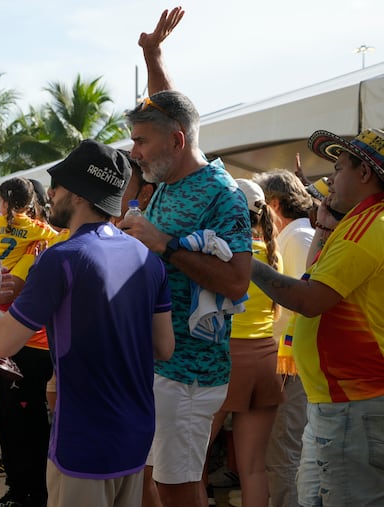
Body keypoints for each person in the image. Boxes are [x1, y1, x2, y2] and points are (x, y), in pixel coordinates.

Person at [0, 139, 174, 507]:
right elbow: (164, 347)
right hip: (135, 435)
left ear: (81, 195)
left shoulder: (61, 258)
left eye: (58, 185)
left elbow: (3, 344)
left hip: (84, 442)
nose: (50, 194)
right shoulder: (149, 260)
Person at [121, 8, 252, 507]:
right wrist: (153, 56)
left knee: (176, 487)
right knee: (150, 480)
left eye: (140, 141)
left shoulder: (222, 194)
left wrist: (164, 245)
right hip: (157, 365)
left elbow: (238, 282)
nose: (133, 152)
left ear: (175, 144)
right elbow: (172, 111)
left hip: (190, 372)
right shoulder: (169, 175)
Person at [250, 128, 384, 507]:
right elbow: (313, 281)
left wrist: (244, 262)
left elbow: (307, 299)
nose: (330, 178)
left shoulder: (368, 227)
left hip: (352, 406)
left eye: (338, 167)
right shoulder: (360, 223)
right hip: (341, 405)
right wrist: (326, 224)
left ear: (364, 174)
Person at [205, 179, 285, 507]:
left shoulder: (218, 252)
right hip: (267, 359)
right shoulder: (272, 251)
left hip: (225, 359)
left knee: (193, 462)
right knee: (253, 467)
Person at [252, 169, 315, 507]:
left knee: (283, 456)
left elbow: (306, 305)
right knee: (278, 456)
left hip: (292, 369)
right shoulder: (293, 237)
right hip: (283, 366)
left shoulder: (299, 237)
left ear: (274, 203)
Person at [0, 177, 58, 383]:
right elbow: (55, 236)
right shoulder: (35, 232)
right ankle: (4, 356)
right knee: (1, 307)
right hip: (7, 283)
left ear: (4, 203)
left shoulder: (0, 222)